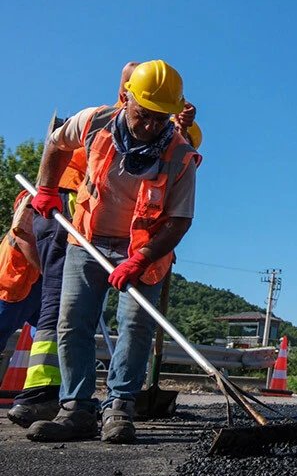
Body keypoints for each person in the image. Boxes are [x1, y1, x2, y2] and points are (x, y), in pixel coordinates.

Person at [6, 63, 200, 429]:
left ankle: (119, 409)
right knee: (73, 321)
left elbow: (179, 220)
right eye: (143, 116)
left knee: (135, 326)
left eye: (160, 120)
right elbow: (56, 143)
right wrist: (46, 188)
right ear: (126, 99)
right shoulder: (95, 122)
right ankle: (76, 408)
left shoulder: (180, 155)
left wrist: (140, 259)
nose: (150, 127)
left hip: (143, 250)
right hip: (87, 240)